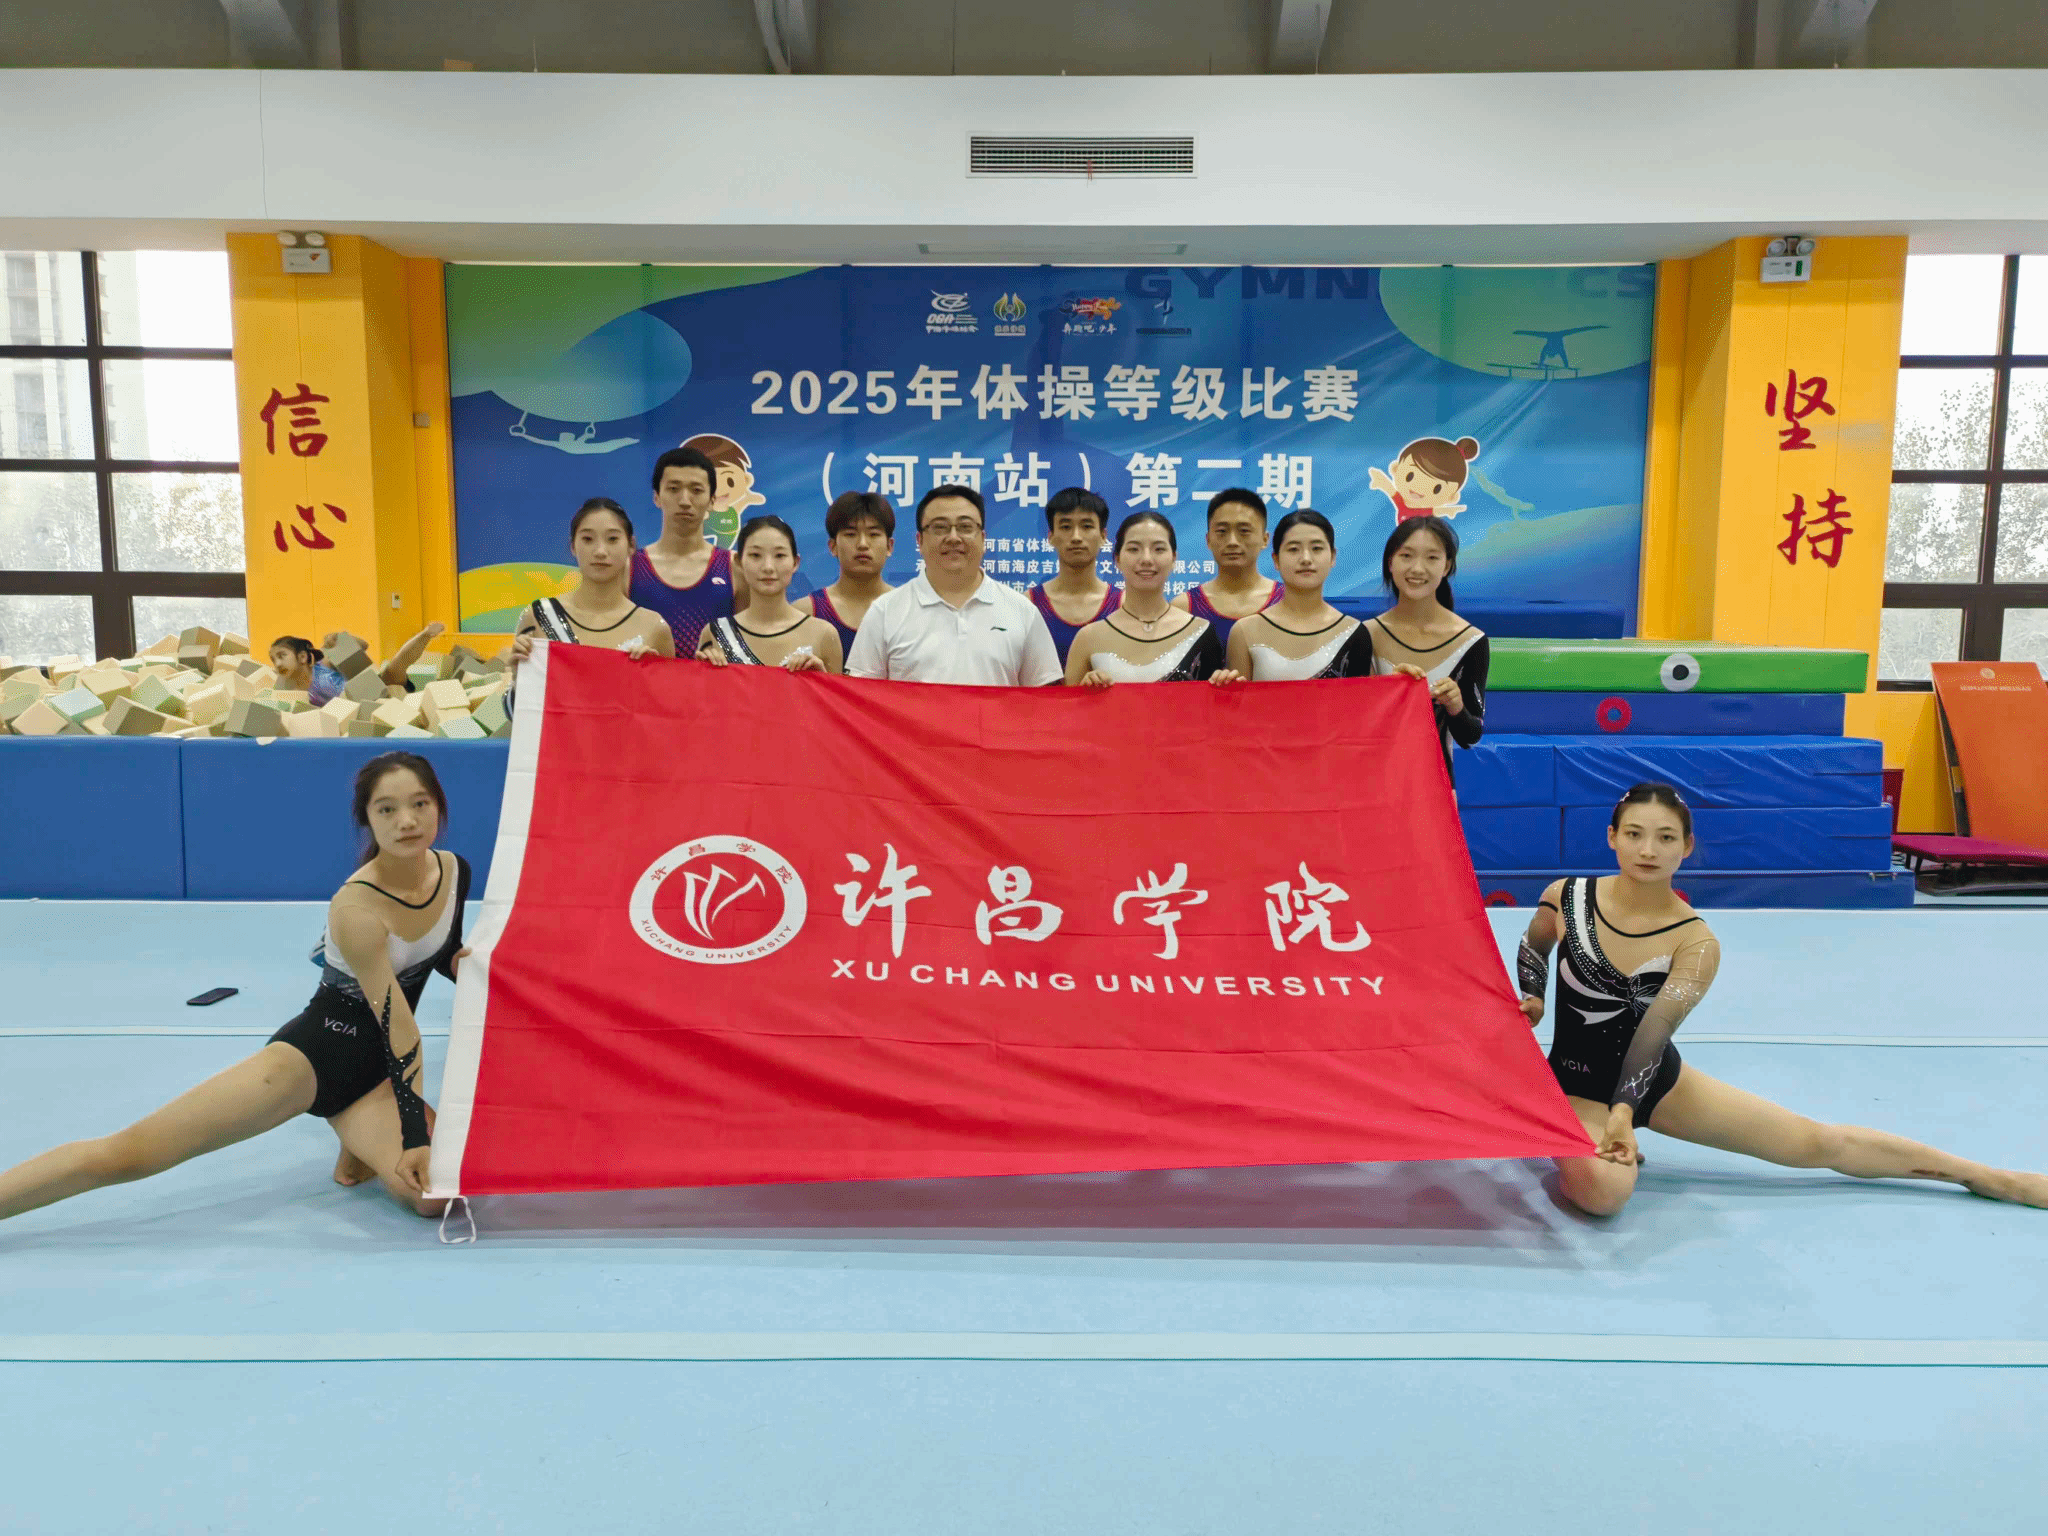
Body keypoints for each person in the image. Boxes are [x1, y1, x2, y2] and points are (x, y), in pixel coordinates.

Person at [1517, 782, 2048, 1216]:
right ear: (1612, 837)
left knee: (1817, 1143)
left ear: (1687, 846)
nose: (1648, 851)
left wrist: (1623, 1112)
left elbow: (1654, 1033)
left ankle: (1983, 1175)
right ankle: (1562, 1130)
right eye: (1634, 834)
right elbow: (1535, 945)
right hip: (1576, 1082)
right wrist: (1533, 997)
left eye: (1665, 837)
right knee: (1605, 1195)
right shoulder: (1568, 896)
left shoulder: (1695, 942)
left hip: (1654, 1081)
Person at [0, 753, 468, 1224]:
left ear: (439, 805)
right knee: (126, 1155)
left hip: (377, 1082)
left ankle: (356, 1141)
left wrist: (470, 967)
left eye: (419, 803)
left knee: (437, 1196)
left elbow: (441, 948)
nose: (407, 821)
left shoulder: (452, 872)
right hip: (311, 1063)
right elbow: (398, 1028)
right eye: (387, 809)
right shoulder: (357, 909)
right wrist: (415, 1138)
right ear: (366, 818)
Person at [845, 484, 1063, 687]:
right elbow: (860, 698)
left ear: (983, 539)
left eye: (965, 527)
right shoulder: (885, 612)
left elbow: (1045, 700)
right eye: (939, 528)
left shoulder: (1022, 612)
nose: (953, 538)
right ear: (919, 541)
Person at [1363, 516, 1488, 781]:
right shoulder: (1366, 635)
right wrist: (1385, 690)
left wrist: (1455, 706)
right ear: (1390, 563)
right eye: (1406, 556)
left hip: (1437, 788)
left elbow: (1471, 737)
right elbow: (1353, 724)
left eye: (1432, 558)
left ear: (1447, 566)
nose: (1417, 568)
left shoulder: (1471, 640)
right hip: (1371, 785)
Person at [509, 498, 677, 668]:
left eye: (612, 539)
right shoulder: (539, 616)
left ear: (631, 545)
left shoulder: (654, 628)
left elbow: (669, 685)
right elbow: (520, 682)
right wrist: (516, 670)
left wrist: (652, 672)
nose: (600, 551)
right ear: (573, 546)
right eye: (588, 539)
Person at [1214, 509, 1375, 682]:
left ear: (1333, 557)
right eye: (1293, 549)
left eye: (1316, 548)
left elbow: (1367, 698)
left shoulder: (1353, 632)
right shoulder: (1245, 631)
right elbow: (1235, 697)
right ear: (1276, 560)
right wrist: (1223, 684)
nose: (1306, 559)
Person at [1064, 511, 1224, 686]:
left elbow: (1216, 702)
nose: (1146, 559)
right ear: (1117, 559)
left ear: (1174, 558)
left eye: (1159, 549)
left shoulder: (1200, 631)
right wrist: (1086, 692)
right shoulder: (1088, 638)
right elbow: (1067, 702)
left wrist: (1230, 685)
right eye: (1134, 549)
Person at [629, 446, 747, 656]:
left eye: (696, 490)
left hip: (715, 679)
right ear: (656, 497)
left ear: (712, 500)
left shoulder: (735, 567)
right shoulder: (630, 567)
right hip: (645, 679)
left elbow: (751, 645)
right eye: (674, 489)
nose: (684, 501)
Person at [699, 516, 844, 672]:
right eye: (755, 555)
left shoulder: (824, 634)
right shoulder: (716, 633)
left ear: (795, 563)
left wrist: (820, 677)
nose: (768, 567)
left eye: (779, 555)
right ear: (739, 562)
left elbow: (835, 689)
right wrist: (705, 670)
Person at [1171, 488, 1282, 652]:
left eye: (1244, 531)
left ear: (1265, 539)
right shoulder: (1184, 608)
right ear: (1208, 540)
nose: (1232, 542)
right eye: (1222, 532)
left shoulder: (1286, 600)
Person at [1028, 487, 1121, 666]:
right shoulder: (1029, 605)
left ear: (1103, 536)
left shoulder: (1123, 605)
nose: (1076, 537)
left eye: (1087, 526)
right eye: (1066, 527)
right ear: (1051, 536)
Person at [796, 491, 896, 655]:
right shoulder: (805, 612)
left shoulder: (909, 609)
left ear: (889, 546)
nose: (863, 544)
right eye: (850, 534)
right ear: (833, 546)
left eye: (873, 534)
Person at [275, 622, 452, 705]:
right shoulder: (287, 687)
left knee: (392, 672)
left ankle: (425, 635)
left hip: (376, 695)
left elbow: (363, 645)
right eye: (274, 659)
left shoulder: (323, 665)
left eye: (282, 656)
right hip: (349, 717)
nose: (278, 663)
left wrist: (338, 638)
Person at [1368, 435, 1481, 521]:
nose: (1418, 488)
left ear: (1452, 497)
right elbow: (1390, 489)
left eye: (1437, 488)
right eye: (1410, 476)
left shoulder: (1426, 513)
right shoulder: (1402, 504)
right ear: (1396, 469)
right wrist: (1380, 480)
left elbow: (1436, 511)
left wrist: (1449, 510)